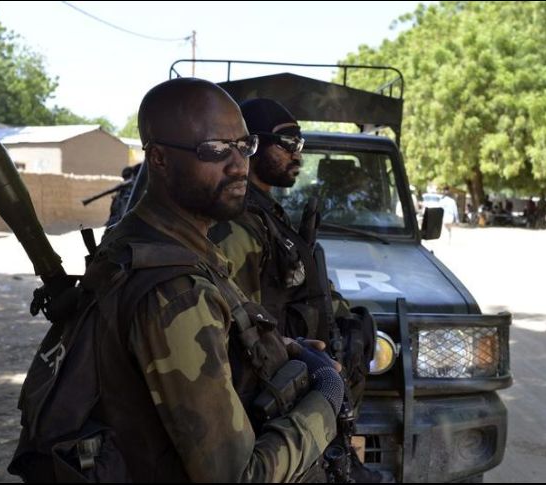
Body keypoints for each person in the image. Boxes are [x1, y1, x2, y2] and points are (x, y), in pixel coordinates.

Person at [66, 79, 342, 482]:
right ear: (158, 159)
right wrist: (326, 399)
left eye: (244, 146)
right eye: (214, 150)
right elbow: (239, 477)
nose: (238, 165)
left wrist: (276, 347)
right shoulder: (172, 288)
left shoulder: (153, 241)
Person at [208, 98, 381, 482]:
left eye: (300, 144)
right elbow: (232, 315)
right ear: (252, 145)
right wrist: (288, 347)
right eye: (287, 143)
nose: (296, 154)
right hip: (274, 389)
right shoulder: (239, 224)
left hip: (304, 381)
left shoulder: (268, 214)